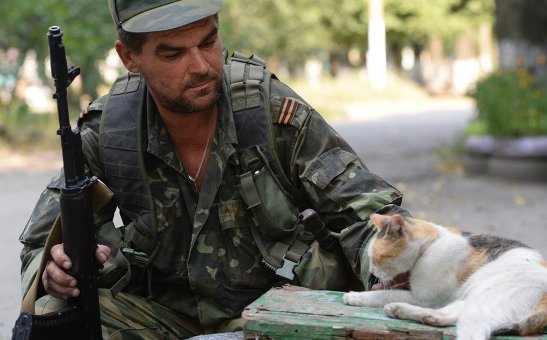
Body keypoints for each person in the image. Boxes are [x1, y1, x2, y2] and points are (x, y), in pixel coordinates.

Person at [19, 0, 409, 338]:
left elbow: (367, 215)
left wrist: (395, 267)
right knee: (56, 313)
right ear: (129, 58)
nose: (202, 66)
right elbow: (39, 243)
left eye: (208, 42)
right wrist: (55, 268)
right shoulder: (111, 131)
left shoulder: (270, 114)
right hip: (166, 321)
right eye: (173, 54)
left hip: (281, 321)